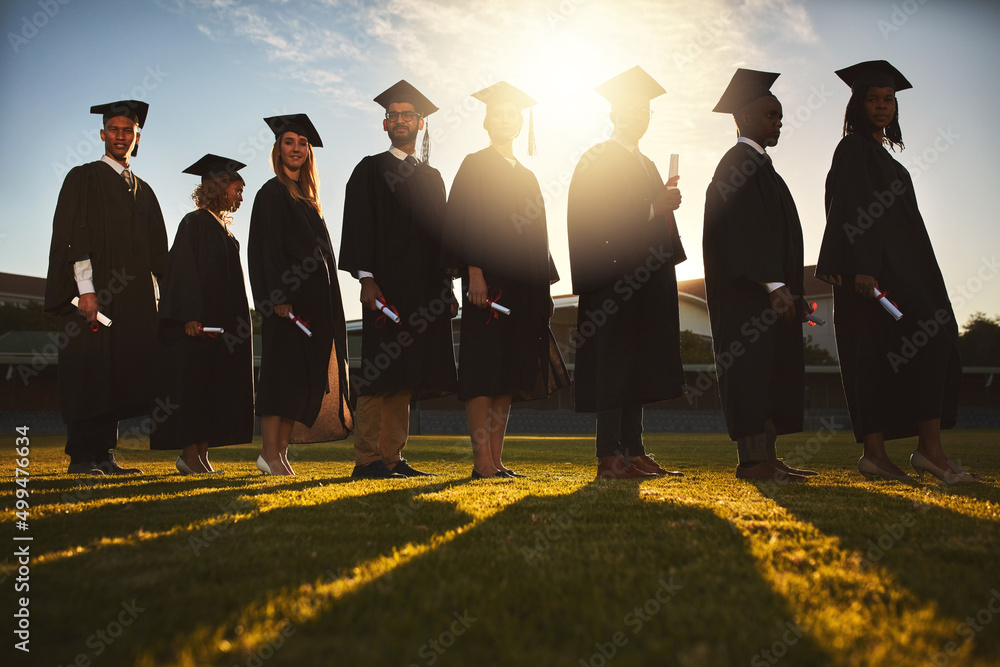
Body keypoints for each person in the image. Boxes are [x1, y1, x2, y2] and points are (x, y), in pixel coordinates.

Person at [816, 60, 972, 483]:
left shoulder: (882, 154)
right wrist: (863, 268)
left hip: (905, 271)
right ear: (857, 104)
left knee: (930, 341)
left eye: (889, 99)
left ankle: (926, 451)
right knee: (874, 354)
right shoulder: (852, 150)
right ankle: (884, 456)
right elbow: (850, 207)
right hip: (874, 278)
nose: (882, 106)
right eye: (873, 99)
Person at [443, 82, 569, 479]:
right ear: (486, 121)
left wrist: (544, 290)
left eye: (512, 114)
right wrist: (474, 273)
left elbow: (539, 236)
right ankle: (481, 461)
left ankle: (497, 460)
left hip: (525, 286)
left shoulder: (528, 175)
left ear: (519, 122)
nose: (505, 119)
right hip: (488, 285)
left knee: (507, 376)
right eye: (498, 113)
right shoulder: (474, 164)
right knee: (483, 372)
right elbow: (462, 221)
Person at [567, 67, 685, 480]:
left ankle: (634, 452)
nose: (638, 115)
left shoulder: (648, 163)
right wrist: (653, 208)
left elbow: (655, 218)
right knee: (613, 365)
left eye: (645, 109)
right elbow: (594, 219)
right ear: (614, 112)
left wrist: (664, 209)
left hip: (645, 279)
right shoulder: (596, 157)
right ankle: (608, 458)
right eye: (630, 108)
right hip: (611, 279)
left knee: (636, 364)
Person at [703, 69, 818, 483]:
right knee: (751, 372)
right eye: (771, 115)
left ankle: (768, 456)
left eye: (780, 116)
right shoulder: (735, 165)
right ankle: (753, 462)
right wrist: (773, 283)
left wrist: (791, 289)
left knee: (772, 372)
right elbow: (744, 233)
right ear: (746, 118)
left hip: (770, 294)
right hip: (746, 297)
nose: (779, 122)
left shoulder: (763, 168)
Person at [340, 80, 458, 480]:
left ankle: (393, 458)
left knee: (405, 374)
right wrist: (366, 279)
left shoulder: (433, 177)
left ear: (420, 124)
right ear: (384, 124)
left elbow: (442, 237)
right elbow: (358, 225)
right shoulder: (370, 169)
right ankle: (367, 459)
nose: (401, 121)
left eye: (409, 115)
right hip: (384, 290)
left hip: (423, 291)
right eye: (394, 115)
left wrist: (447, 288)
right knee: (378, 373)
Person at [44, 100, 168, 476]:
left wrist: (156, 299)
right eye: (114, 129)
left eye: (127, 131)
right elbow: (74, 234)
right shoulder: (85, 177)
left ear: (136, 138)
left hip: (130, 301)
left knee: (114, 374)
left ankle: (103, 455)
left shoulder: (143, 189)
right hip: (93, 295)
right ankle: (81, 457)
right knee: (89, 371)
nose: (120, 136)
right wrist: (86, 288)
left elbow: (154, 252)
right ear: (102, 134)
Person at [248, 114, 354, 476]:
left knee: (301, 382)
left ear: (309, 153)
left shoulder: (309, 200)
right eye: (289, 141)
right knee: (281, 379)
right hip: (287, 308)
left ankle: (280, 453)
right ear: (278, 149)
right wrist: (277, 296)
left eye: (302, 143)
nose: (296, 148)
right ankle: (268, 452)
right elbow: (266, 250)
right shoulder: (271, 192)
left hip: (313, 309)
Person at [151, 154, 255, 474]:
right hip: (198, 327)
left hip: (221, 329)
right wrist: (189, 316)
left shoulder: (225, 230)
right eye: (237, 188)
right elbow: (182, 272)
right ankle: (189, 455)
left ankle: (203, 455)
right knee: (194, 390)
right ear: (218, 186)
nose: (240, 194)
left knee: (214, 390)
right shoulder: (193, 222)